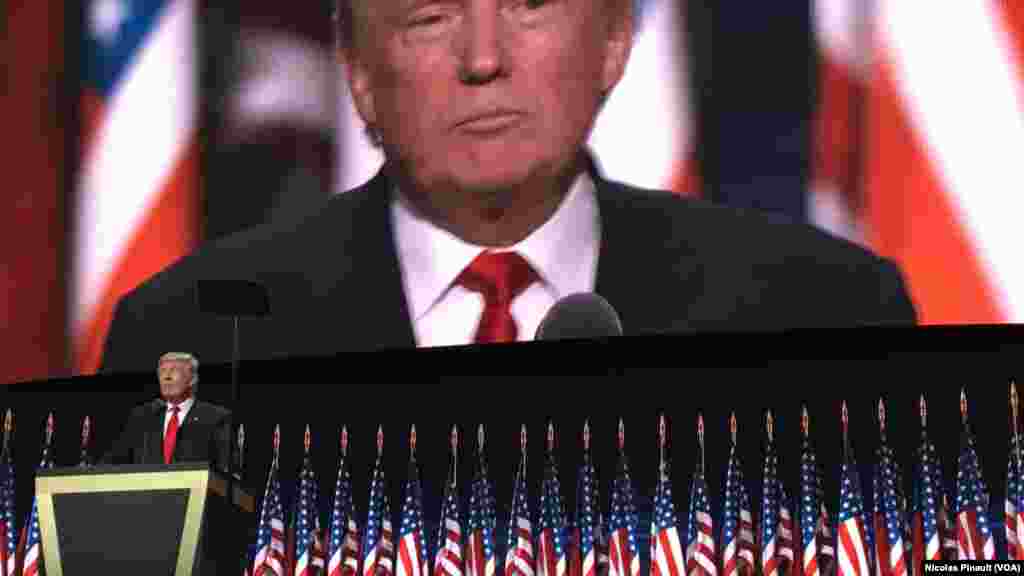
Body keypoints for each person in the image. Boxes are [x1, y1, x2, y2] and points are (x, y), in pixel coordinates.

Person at [99, 0, 915, 373]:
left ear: (616, 43)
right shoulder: (189, 339)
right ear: (357, 74)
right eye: (429, 17)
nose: (483, 56)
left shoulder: (823, 317)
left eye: (530, 6)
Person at [102, 353, 232, 471]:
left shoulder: (215, 417)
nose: (166, 376)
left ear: (192, 379)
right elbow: (115, 459)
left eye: (174, 370)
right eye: (162, 371)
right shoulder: (143, 416)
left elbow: (223, 471)